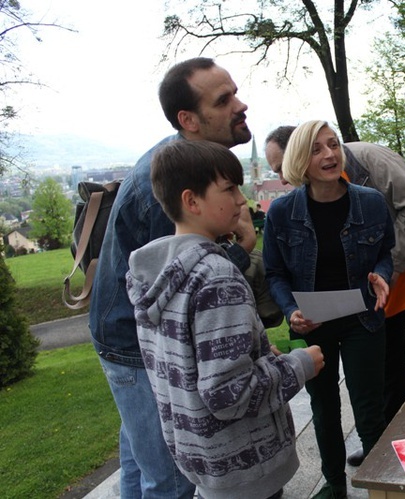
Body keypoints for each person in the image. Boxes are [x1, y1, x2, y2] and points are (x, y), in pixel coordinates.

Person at [89, 57, 256, 498]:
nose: (241, 105)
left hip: (132, 337)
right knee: (172, 477)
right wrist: (242, 250)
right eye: (224, 100)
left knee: (140, 464)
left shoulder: (187, 163)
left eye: (235, 92)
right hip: (136, 348)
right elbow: (187, 296)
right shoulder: (167, 188)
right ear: (189, 120)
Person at [126, 140, 324, 499]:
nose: (240, 199)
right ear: (192, 201)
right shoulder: (217, 276)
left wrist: (259, 358)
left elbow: (193, 367)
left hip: (202, 461)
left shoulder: (153, 276)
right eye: (229, 189)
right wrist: (300, 364)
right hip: (246, 464)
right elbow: (229, 393)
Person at [265, 126, 405, 465]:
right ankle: (390, 450)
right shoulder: (294, 206)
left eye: (280, 169)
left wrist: (386, 269)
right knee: (387, 377)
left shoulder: (369, 161)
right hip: (377, 299)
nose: (282, 177)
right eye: (278, 171)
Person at [263, 120, 395, 499]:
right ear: (301, 161)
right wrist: (290, 311)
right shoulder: (282, 213)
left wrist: (382, 275)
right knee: (323, 406)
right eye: (318, 149)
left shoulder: (370, 201)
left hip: (362, 319)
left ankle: (377, 487)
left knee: (369, 407)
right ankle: (334, 484)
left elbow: (385, 250)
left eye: (333, 145)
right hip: (310, 323)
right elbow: (275, 272)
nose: (330, 155)